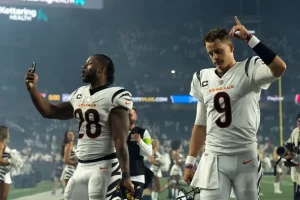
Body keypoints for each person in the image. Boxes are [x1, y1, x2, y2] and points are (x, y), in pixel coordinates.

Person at [183, 16, 286, 200]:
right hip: (213, 158)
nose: (215, 57)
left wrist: (249, 38)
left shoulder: (250, 68)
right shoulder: (201, 77)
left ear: (231, 47)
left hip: (245, 157)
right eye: (210, 53)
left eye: (219, 51)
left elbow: (279, 68)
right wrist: (190, 161)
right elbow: (200, 123)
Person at [25, 54, 135, 200]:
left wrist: (126, 175)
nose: (83, 66)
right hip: (81, 166)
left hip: (104, 165)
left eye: (89, 63)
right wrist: (32, 88)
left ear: (102, 69)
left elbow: (120, 140)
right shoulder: (79, 94)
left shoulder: (115, 95)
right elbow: (49, 111)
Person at [119, 107, 153, 200]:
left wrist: (140, 141)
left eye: (130, 115)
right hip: (120, 175)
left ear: (135, 117)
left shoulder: (143, 132)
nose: (128, 117)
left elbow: (149, 152)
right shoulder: (118, 132)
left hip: (137, 174)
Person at [0, 126, 21, 200]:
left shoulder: (4, 144)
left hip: (6, 173)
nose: (9, 134)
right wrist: (11, 161)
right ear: (4, 133)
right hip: (2, 173)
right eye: (8, 132)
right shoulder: (1, 144)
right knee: (2, 197)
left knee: (5, 197)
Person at [284, 112, 300, 200]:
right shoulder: (295, 131)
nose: (299, 124)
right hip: (297, 175)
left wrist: (292, 156)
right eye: (298, 122)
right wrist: (287, 153)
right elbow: (289, 145)